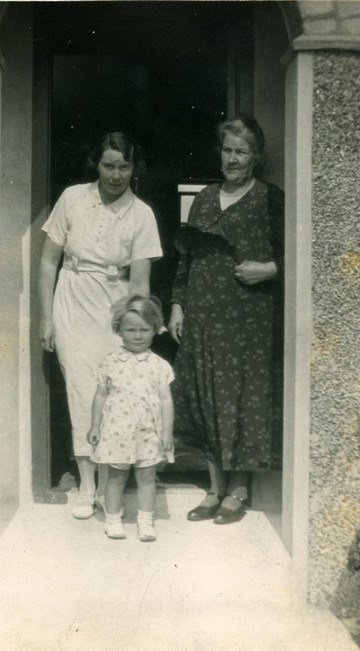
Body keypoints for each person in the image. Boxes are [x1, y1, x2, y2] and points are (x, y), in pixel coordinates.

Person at [38, 132, 163, 519]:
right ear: (97, 163)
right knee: (79, 389)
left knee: (112, 390)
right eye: (109, 165)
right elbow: (48, 262)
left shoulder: (141, 214)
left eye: (124, 166)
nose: (116, 175)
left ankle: (111, 480)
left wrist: (133, 330)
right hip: (72, 299)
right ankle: (87, 484)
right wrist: (46, 316)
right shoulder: (72, 198)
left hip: (115, 304)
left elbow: (140, 284)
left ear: (133, 168)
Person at [168, 115, 284, 525]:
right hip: (203, 311)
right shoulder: (204, 198)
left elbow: (301, 253)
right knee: (206, 395)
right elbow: (187, 258)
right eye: (227, 150)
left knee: (241, 399)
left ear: (256, 157)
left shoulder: (271, 199)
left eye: (241, 151)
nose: (232, 159)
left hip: (248, 317)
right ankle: (214, 488)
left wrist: (270, 269)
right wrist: (178, 304)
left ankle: (238, 490)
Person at [88, 295, 174, 541]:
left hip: (149, 431)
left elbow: (166, 401)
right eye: (131, 329)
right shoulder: (110, 363)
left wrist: (167, 432)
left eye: (144, 329)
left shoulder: (160, 365)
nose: (138, 335)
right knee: (117, 477)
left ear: (155, 329)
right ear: (119, 330)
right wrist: (95, 425)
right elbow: (100, 396)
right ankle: (113, 519)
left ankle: (145, 521)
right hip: (117, 431)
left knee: (147, 476)